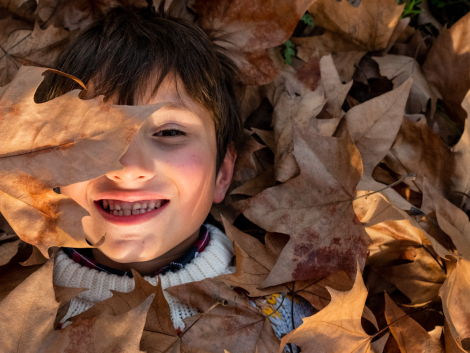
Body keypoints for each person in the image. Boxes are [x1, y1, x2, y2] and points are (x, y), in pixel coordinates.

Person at [38, 5, 313, 345]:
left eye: (169, 133)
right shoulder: (17, 316)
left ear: (222, 174)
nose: (128, 168)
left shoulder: (288, 320)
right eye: (93, 135)